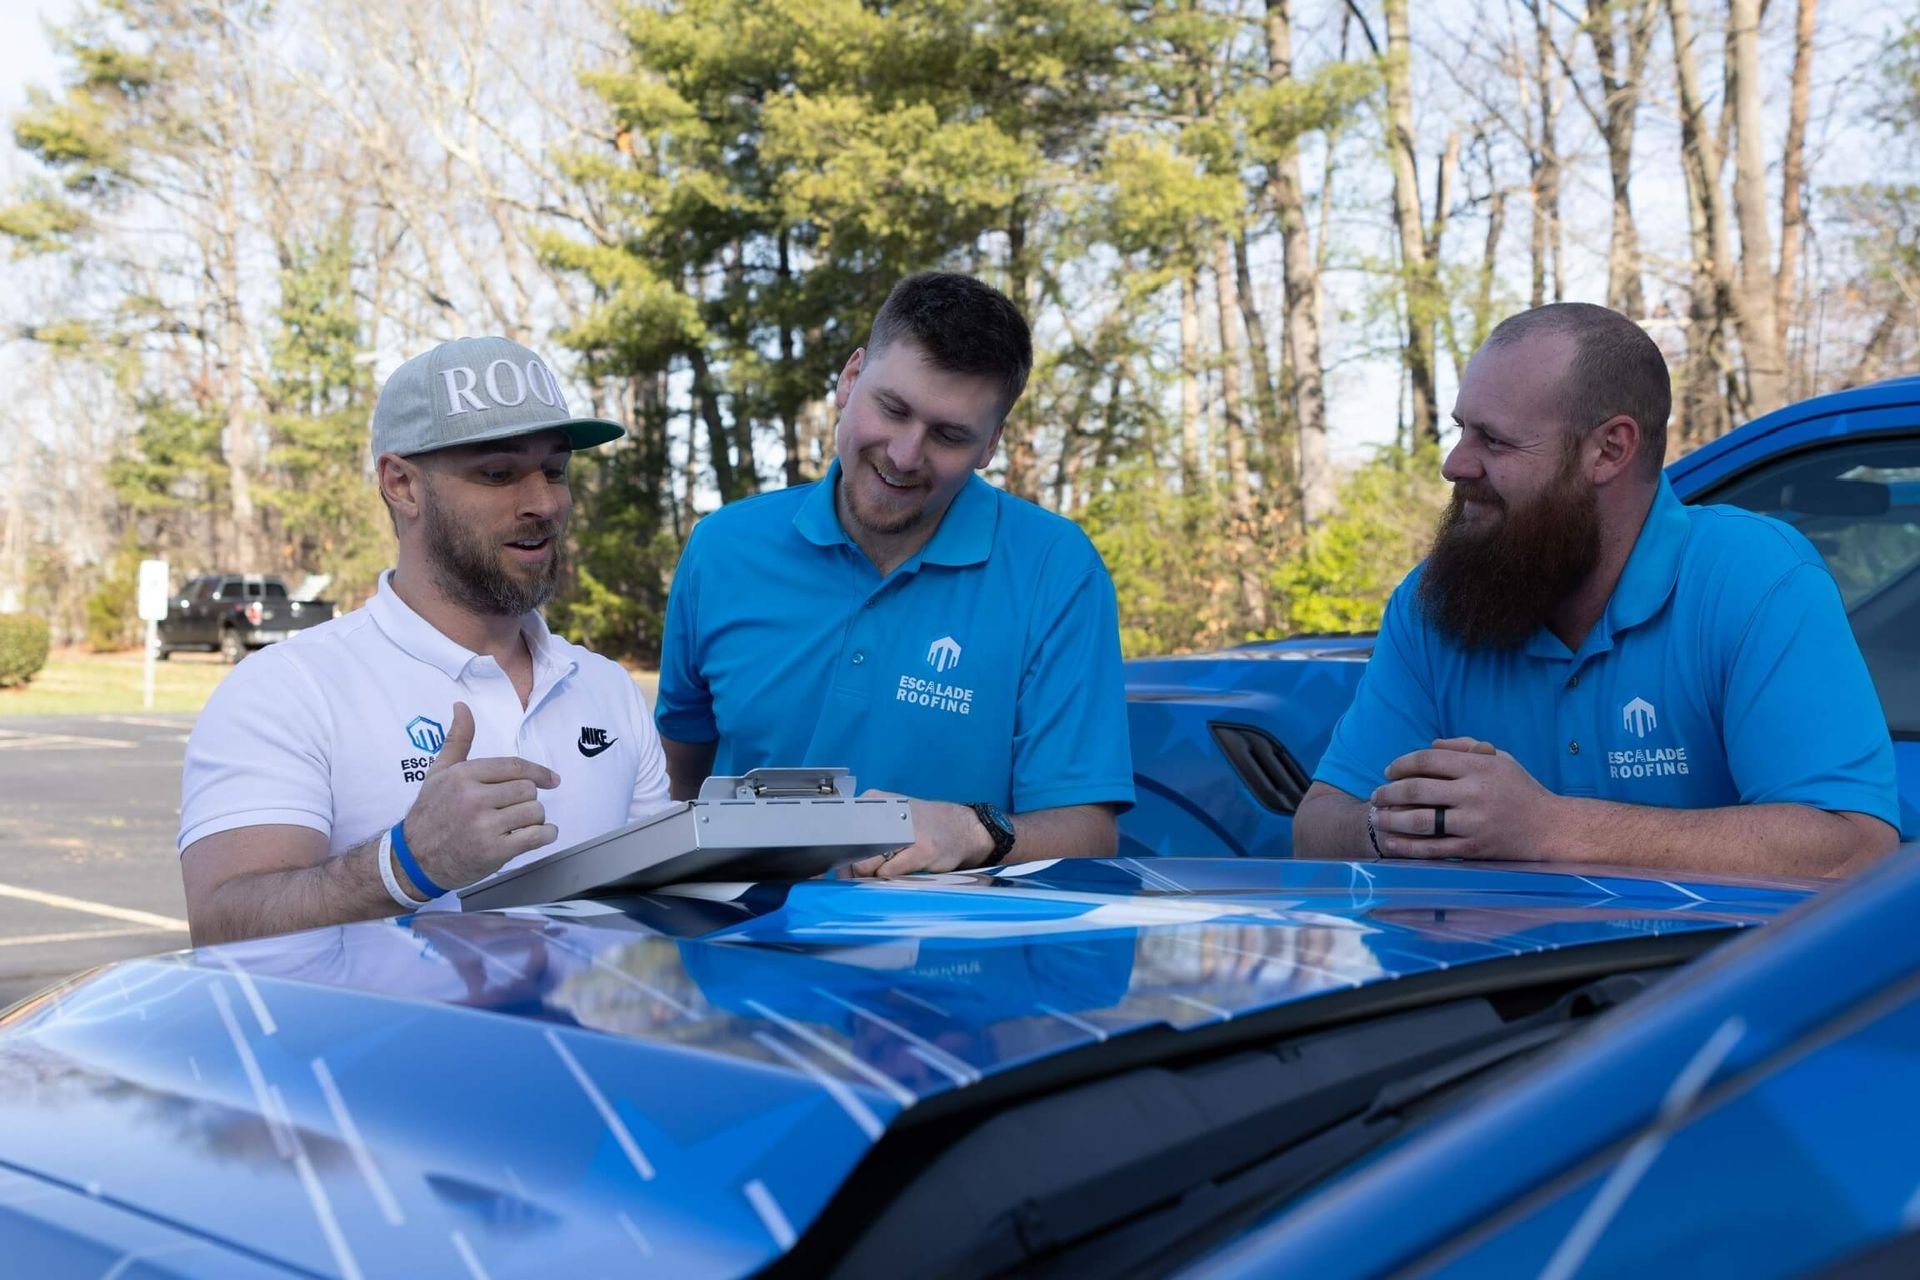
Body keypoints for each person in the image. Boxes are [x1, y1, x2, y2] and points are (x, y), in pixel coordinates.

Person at [1292, 303, 1899, 877]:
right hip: (1481, 979)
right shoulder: (1441, 598)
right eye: (1461, 430)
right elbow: (1316, 829)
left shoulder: (1755, 579)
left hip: (1716, 981)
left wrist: (1549, 826)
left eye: (1494, 441)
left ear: (1610, 449)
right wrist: (1394, 827)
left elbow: (1852, 851)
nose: (1456, 464)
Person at [179, 336, 672, 945]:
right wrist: (407, 865)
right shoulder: (288, 689)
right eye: (499, 473)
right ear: (402, 485)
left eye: (555, 470)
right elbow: (222, 924)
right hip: (374, 1044)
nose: (544, 503)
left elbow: (655, 915)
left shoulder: (606, 687)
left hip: (585, 1044)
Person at [654, 271, 1134, 877]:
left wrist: (971, 829)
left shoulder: (1056, 570)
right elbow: (675, 783)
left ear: (991, 445)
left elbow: (1088, 832)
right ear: (851, 379)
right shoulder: (721, 549)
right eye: (893, 408)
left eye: (950, 435)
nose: (905, 455)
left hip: (952, 964)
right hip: (740, 952)